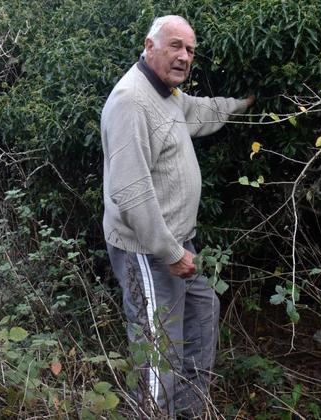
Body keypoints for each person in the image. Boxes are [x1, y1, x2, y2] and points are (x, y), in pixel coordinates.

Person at [100, 15, 253, 418]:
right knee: (158, 350)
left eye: (189, 50)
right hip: (147, 252)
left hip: (175, 243)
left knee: (204, 312)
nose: (184, 56)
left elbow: (198, 112)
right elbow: (130, 193)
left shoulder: (166, 93)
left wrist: (243, 104)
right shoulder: (130, 102)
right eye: (174, 46)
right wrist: (170, 251)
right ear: (149, 46)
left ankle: (187, 411)